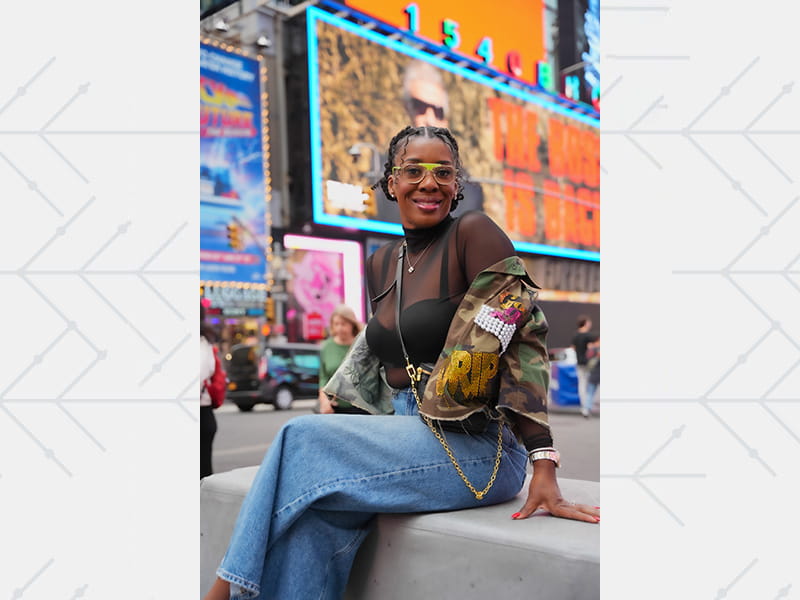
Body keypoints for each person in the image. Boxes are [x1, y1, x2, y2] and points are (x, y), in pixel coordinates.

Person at [203, 126, 598, 600]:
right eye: (413, 170)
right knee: (313, 518)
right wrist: (344, 405)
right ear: (390, 182)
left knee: (299, 435)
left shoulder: (473, 233)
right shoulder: (381, 262)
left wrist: (543, 461)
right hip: (405, 434)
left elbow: (522, 339)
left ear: (457, 185)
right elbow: (382, 351)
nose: (428, 183)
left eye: (443, 172)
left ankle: (222, 592)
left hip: (475, 445)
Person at [375, 60, 483, 223]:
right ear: (406, 109)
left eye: (438, 112)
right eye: (421, 107)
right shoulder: (377, 171)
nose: (429, 120)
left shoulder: (470, 191)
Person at [317, 304, 367, 415]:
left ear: (352, 325)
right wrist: (324, 401)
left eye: (343, 324)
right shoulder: (326, 347)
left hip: (361, 409)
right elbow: (323, 377)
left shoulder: (362, 345)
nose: (339, 328)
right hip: (335, 408)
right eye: (336, 324)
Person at [200, 303, 219, 479]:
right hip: (204, 413)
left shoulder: (201, 343)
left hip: (202, 413)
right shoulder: (205, 343)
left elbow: (202, 373)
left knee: (202, 472)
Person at [571, 315, 600, 418]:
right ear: (586, 323)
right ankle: (587, 406)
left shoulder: (575, 335)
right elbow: (595, 346)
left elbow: (573, 348)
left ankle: (584, 406)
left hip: (579, 362)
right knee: (590, 385)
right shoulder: (588, 336)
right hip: (588, 364)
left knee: (582, 385)